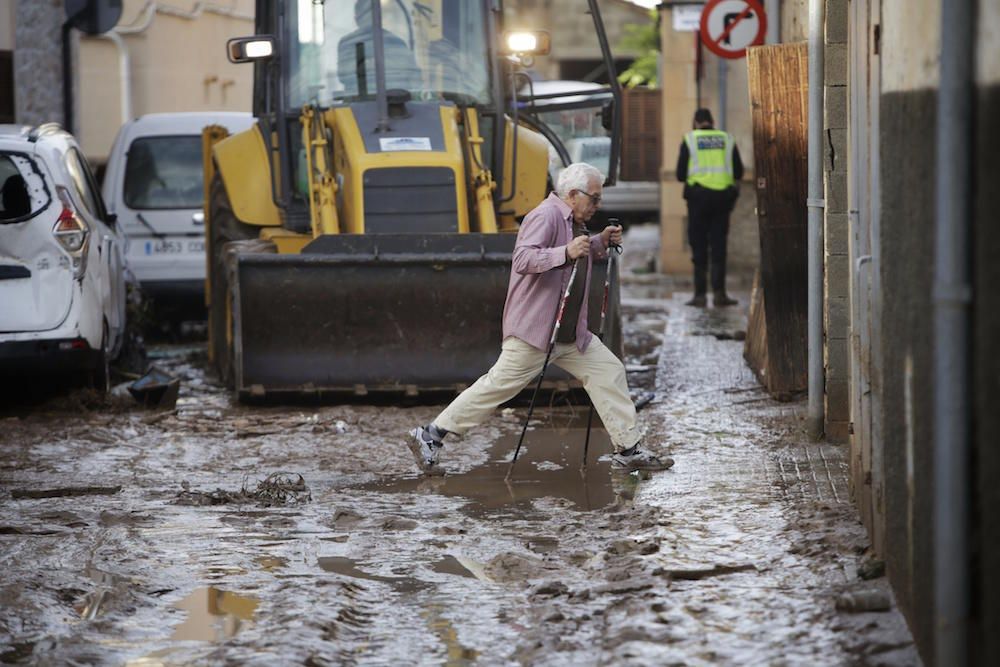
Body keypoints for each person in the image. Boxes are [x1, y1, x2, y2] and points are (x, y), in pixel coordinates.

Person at [408, 163, 674, 474]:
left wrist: (600, 241)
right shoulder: (545, 215)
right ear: (573, 195)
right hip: (536, 332)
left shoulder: (573, 220)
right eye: (594, 199)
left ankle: (628, 449)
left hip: (570, 332)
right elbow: (522, 258)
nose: (597, 206)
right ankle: (430, 435)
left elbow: (577, 252)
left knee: (608, 370)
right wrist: (564, 252)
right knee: (496, 387)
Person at [676, 107, 744, 307]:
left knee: (699, 246)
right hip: (722, 200)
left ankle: (699, 295)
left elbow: (680, 174)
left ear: (696, 122)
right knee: (718, 246)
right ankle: (720, 294)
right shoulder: (727, 139)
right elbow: (738, 172)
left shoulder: (690, 139)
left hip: (698, 199)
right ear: (712, 121)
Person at [337, 0, 421, 96]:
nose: (369, 19)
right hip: (358, 104)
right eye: (365, 15)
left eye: (369, 14)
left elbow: (413, 77)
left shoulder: (396, 42)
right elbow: (344, 75)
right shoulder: (347, 44)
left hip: (395, 104)